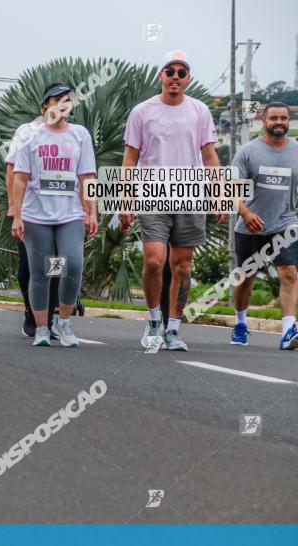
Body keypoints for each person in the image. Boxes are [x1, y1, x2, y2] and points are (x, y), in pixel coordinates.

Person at [120, 50, 225, 351]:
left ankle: (174, 328)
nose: (175, 77)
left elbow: (209, 155)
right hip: (152, 193)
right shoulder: (142, 112)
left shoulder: (199, 111)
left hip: (189, 193)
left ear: (188, 78)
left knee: (182, 264)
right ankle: (154, 319)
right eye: (170, 71)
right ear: (160, 76)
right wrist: (125, 199)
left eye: (181, 72)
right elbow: (130, 159)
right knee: (154, 260)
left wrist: (218, 194)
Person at [10, 82, 98, 347]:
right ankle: (41, 328)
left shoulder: (80, 135)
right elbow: (20, 178)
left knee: (73, 266)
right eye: (56, 99)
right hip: (36, 216)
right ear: (44, 107)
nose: (62, 103)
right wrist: (16, 215)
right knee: (41, 273)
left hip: (70, 215)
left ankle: (65, 322)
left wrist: (91, 211)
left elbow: (88, 177)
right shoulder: (30, 136)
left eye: (67, 100)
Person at [229, 102, 298, 350]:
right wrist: (245, 213)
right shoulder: (248, 151)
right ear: (264, 121)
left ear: (288, 122)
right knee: (245, 279)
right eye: (274, 118)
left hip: (285, 224)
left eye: (283, 118)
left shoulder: (296, 151)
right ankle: (240, 323)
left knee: (289, 272)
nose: (279, 122)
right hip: (250, 226)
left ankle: (289, 330)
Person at [6, 131, 60, 337]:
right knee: (28, 266)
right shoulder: (26, 132)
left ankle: (46, 320)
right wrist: (13, 206)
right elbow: (11, 168)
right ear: (44, 106)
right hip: (31, 212)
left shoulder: (73, 134)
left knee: (57, 266)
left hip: (61, 214)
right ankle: (30, 311)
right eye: (57, 101)